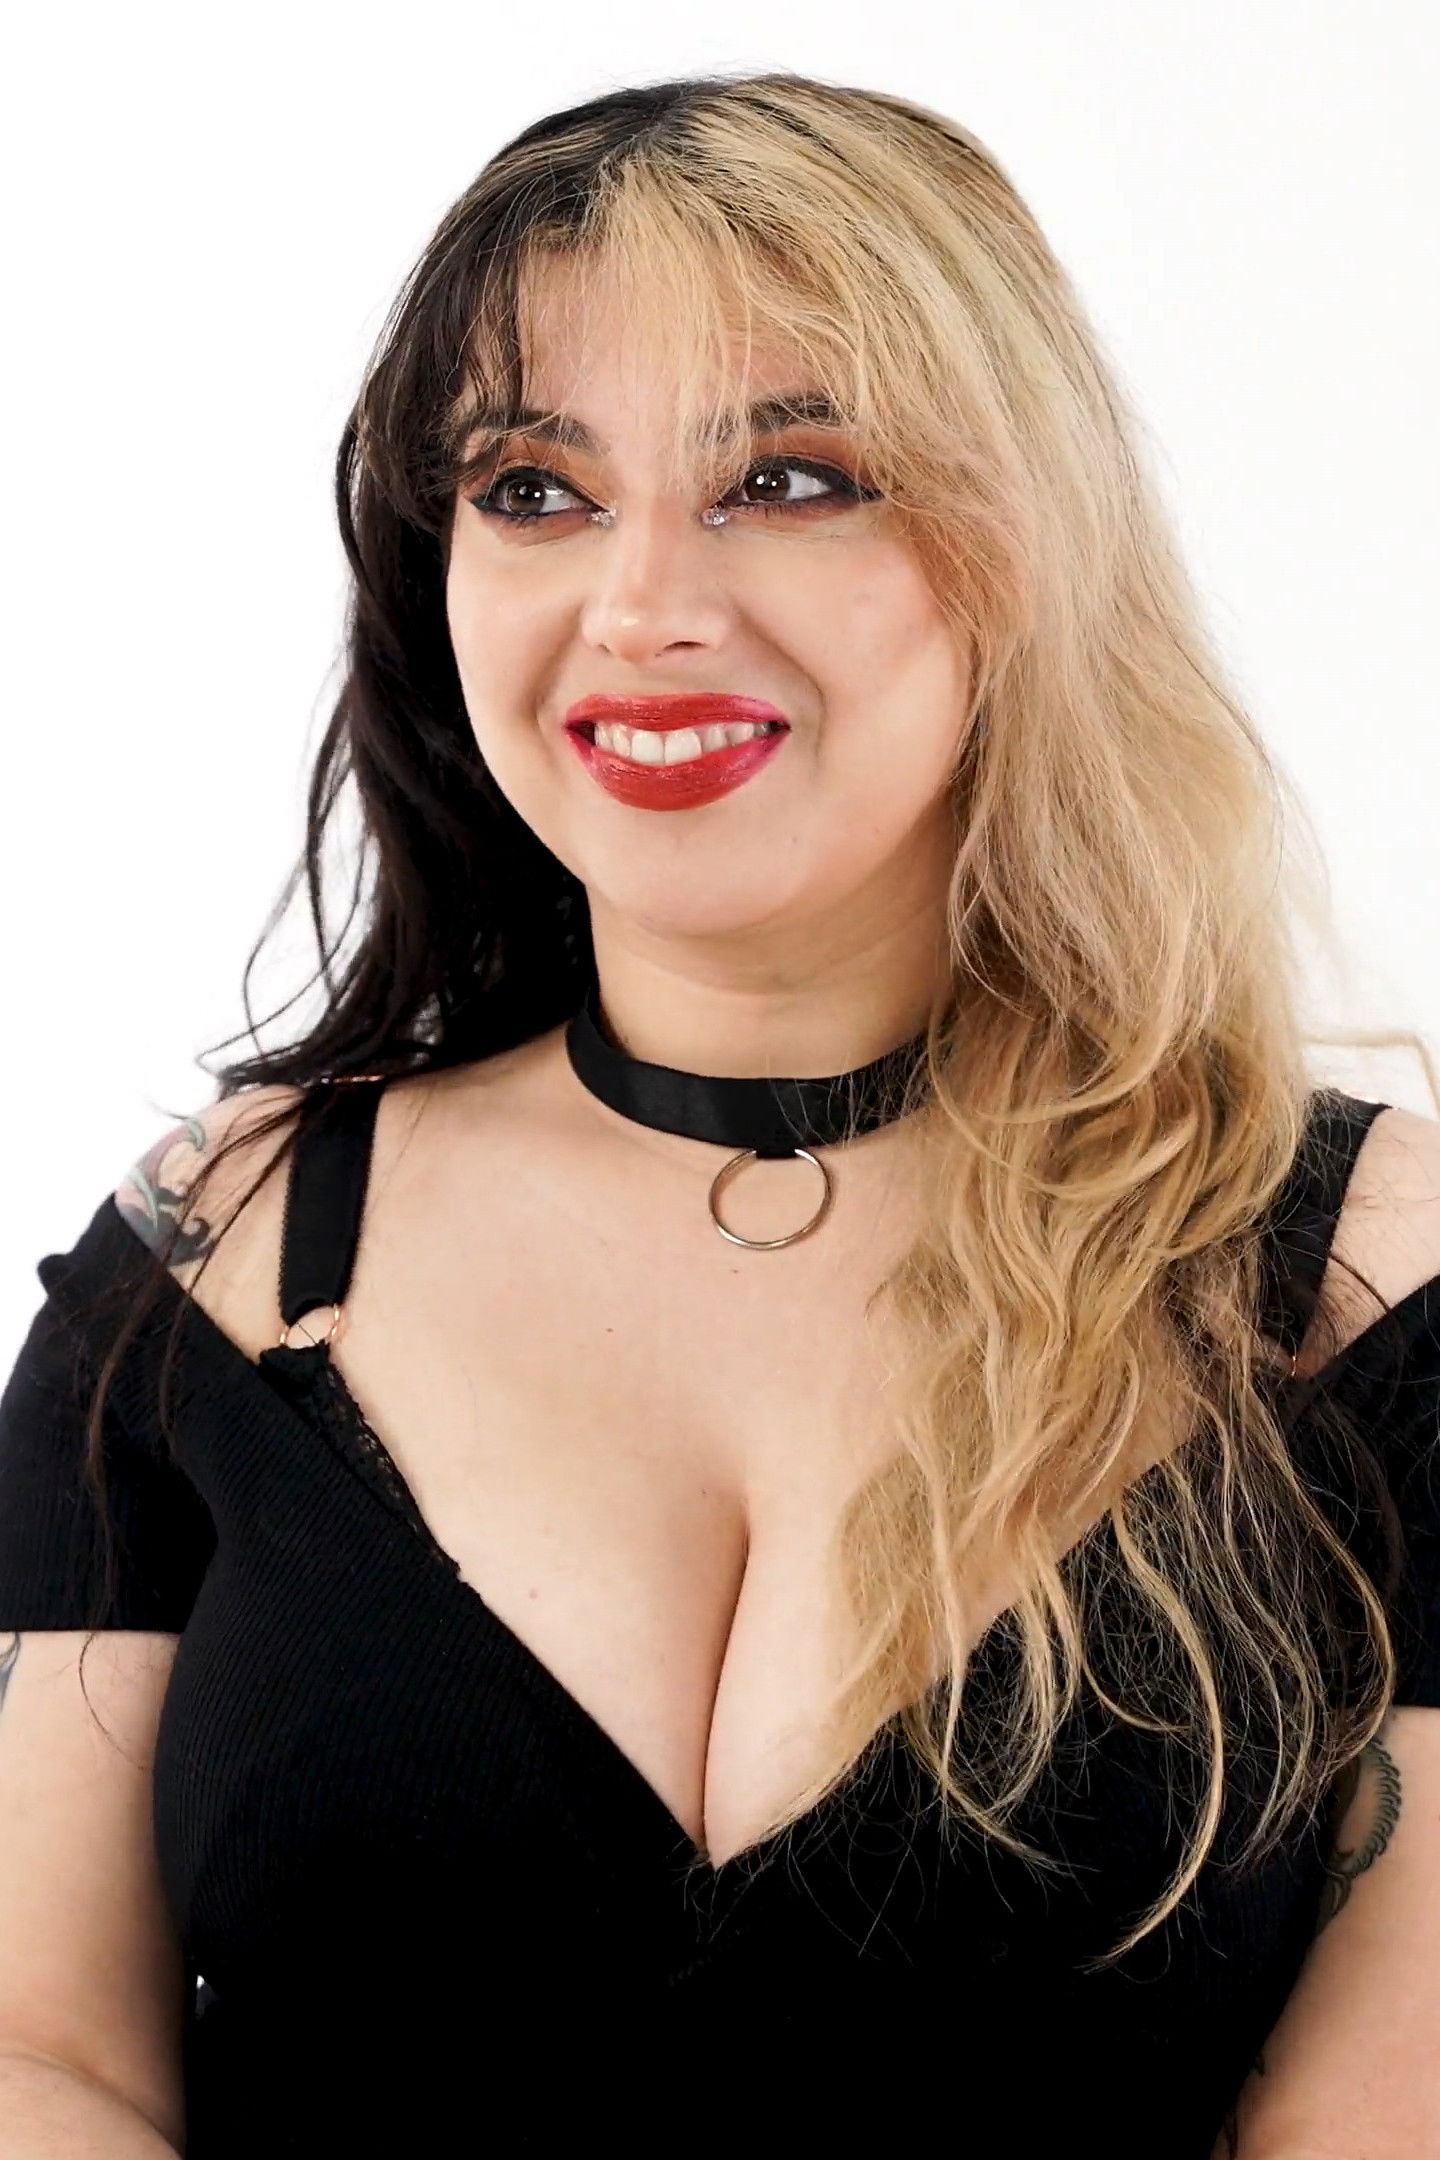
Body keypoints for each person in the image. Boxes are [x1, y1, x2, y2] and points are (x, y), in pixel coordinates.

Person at [1, 67, 1437, 2160]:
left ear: (1024, 551)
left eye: (790, 477)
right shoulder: (220, 1265)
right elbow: (40, 2052)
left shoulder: (1361, 1294)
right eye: (534, 488)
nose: (643, 606)